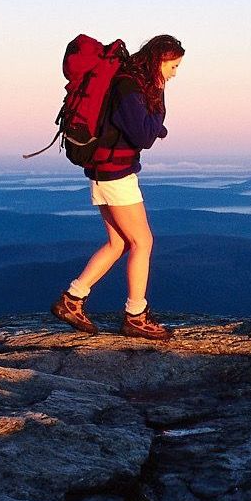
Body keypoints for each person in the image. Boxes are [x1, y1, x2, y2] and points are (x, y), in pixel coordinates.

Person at [51, 35, 185, 340]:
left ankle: (72, 299)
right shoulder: (130, 85)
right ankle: (136, 315)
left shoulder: (126, 81)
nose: (174, 73)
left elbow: (135, 127)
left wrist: (154, 124)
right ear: (159, 60)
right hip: (116, 173)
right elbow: (144, 136)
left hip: (103, 170)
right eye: (173, 66)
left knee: (118, 243)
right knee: (143, 242)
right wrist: (160, 100)